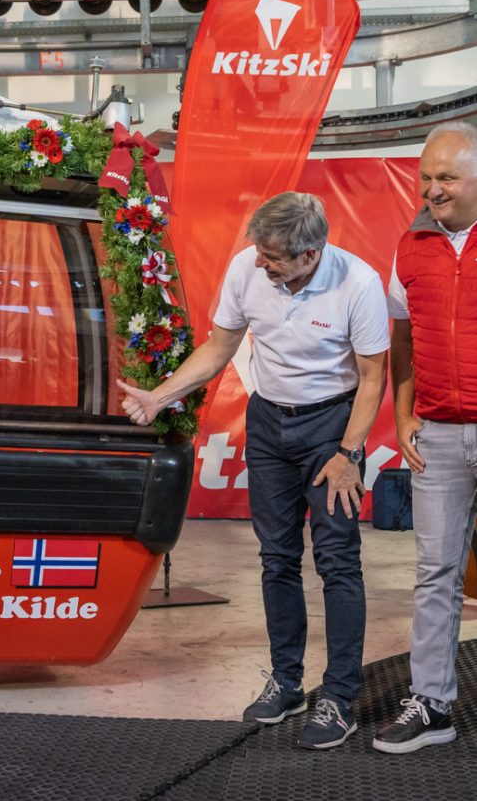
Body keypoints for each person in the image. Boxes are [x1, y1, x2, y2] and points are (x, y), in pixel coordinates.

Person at [119, 192, 388, 749]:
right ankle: (287, 683)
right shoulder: (247, 268)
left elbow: (372, 376)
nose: (261, 263)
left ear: (310, 253)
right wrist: (160, 397)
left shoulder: (357, 284)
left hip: (331, 428)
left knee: (338, 561)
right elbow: (219, 348)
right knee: (276, 557)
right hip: (269, 424)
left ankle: (339, 699)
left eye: (274, 257)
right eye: (260, 252)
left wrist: (349, 454)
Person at [373, 121, 477, 754]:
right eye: (426, 177)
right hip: (437, 434)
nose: (432, 190)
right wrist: (405, 412)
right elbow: (402, 339)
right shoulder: (410, 246)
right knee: (435, 573)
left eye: (447, 178)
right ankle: (432, 704)